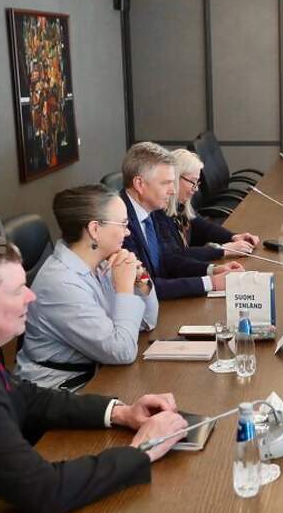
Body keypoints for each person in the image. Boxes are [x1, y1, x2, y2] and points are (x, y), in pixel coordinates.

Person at [0, 243, 188, 513]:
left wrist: (121, 413)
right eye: (18, 290)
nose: (31, 296)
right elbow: (44, 490)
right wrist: (142, 449)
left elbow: (24, 396)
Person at [14, 185, 158, 390]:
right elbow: (122, 352)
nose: (127, 232)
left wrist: (139, 275)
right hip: (62, 389)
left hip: (101, 371)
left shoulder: (102, 262)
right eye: (123, 223)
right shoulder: (61, 283)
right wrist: (125, 289)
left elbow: (148, 320)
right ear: (94, 230)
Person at [120, 142, 244, 300]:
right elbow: (144, 287)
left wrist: (212, 270)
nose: (173, 190)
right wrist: (210, 283)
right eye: (165, 183)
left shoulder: (148, 210)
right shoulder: (120, 223)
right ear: (139, 184)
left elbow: (167, 259)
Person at [162, 148, 260, 262]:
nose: (196, 189)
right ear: (175, 177)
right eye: (193, 182)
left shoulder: (180, 206)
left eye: (197, 183)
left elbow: (203, 226)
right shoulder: (159, 213)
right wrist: (223, 250)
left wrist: (233, 237)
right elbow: (176, 254)